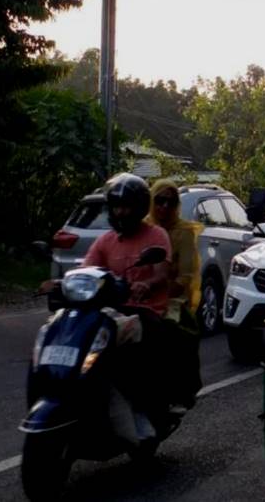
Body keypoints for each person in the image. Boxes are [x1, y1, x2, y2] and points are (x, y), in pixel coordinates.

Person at [82, 173, 172, 436]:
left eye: (126, 206)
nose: (120, 212)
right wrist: (60, 283)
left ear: (140, 208)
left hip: (145, 310)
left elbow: (162, 272)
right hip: (109, 311)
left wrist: (148, 284)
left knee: (138, 352)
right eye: (116, 206)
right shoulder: (105, 241)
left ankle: (144, 409)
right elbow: (87, 269)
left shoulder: (156, 235)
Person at [146, 179, 203, 409]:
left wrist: (162, 293)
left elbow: (185, 276)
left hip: (172, 297)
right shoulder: (143, 228)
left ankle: (179, 391)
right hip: (141, 295)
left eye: (170, 202)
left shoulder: (184, 233)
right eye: (159, 201)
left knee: (172, 331)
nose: (164, 207)